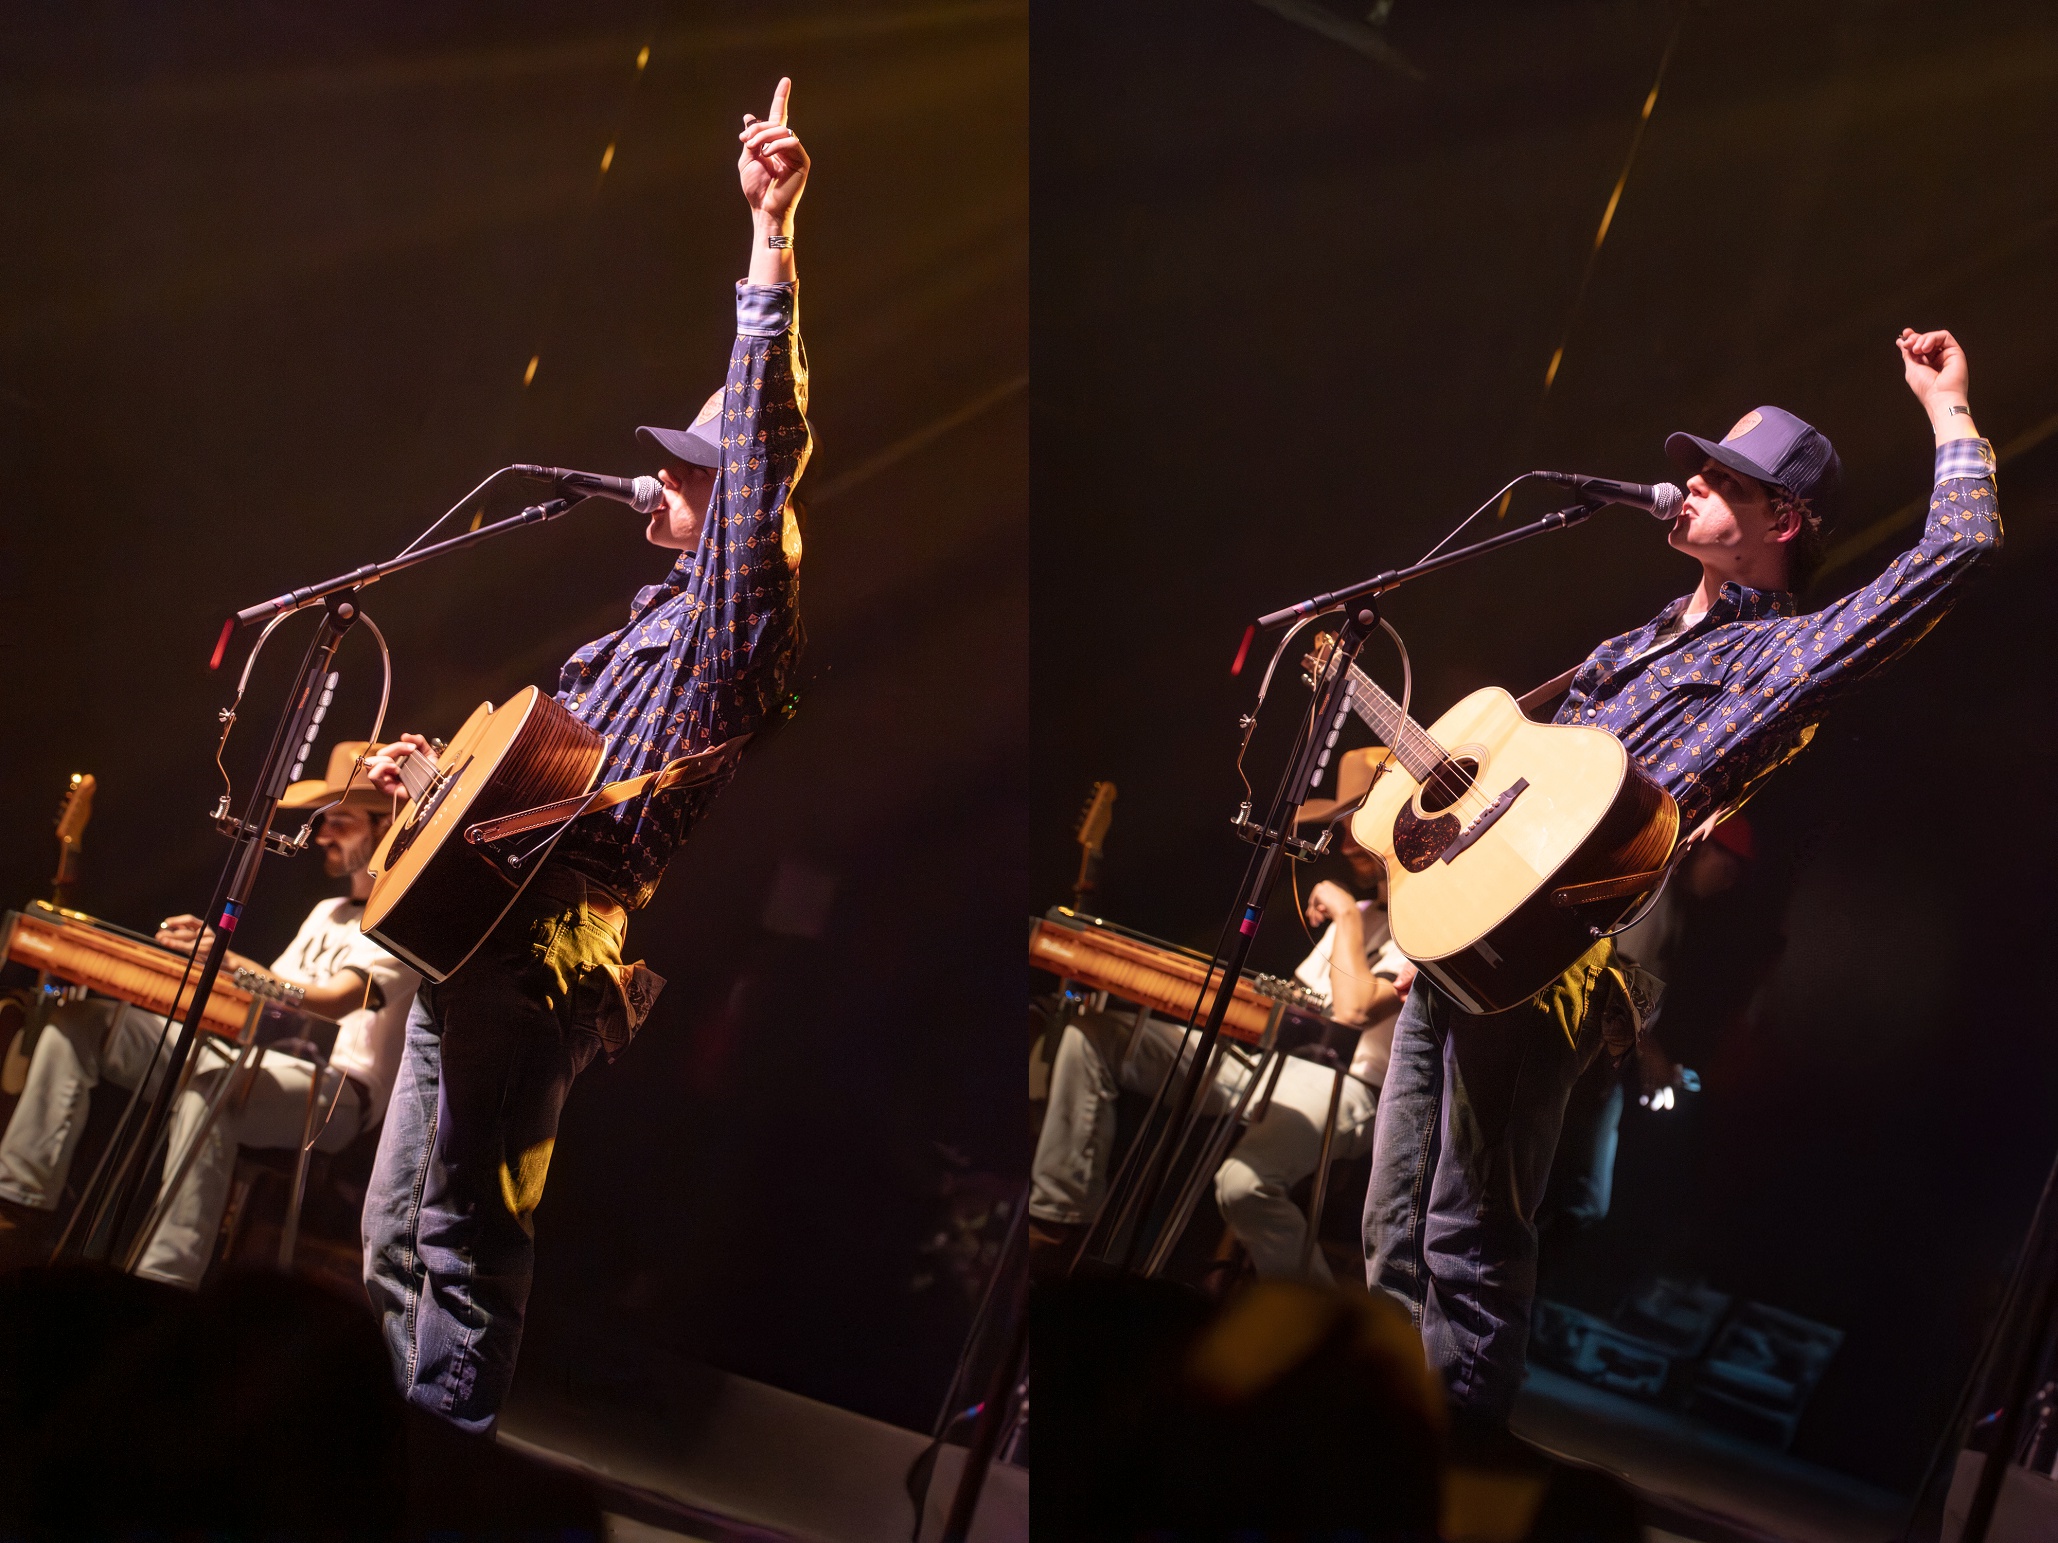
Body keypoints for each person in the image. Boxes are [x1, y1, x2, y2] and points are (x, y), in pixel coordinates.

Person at [1360, 329, 2001, 1438]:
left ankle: (1448, 1469)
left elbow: (1958, 548)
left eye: (1724, 479)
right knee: (1390, 1225)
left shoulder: (1785, 655)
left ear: (1782, 523)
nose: (1692, 482)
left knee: (1468, 1234)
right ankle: (1367, 1438)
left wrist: (1947, 407)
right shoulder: (1638, 639)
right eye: (1697, 469)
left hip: (1545, 965)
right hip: (1464, 936)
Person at [357, 79, 811, 1431]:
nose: (660, 479)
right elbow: (541, 786)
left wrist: (770, 236)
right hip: (475, 935)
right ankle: (380, 1451)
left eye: (688, 469)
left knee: (466, 1236)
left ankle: (443, 1463)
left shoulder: (737, 622)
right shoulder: (645, 624)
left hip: (542, 955)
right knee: (393, 1228)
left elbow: (764, 437)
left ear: (736, 502)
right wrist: (431, 785)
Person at [0, 743, 418, 1285]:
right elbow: (264, 1002)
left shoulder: (400, 918)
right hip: (249, 1059)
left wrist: (230, 961)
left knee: (210, 1090)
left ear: (385, 825)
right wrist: (204, 961)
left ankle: (163, 1281)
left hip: (337, 1093)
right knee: (81, 1025)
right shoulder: (327, 911)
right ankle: (18, 1205)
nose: (321, 836)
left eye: (339, 822)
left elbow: (337, 1000)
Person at [1030, 748, 1408, 1284]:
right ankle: (1055, 1224)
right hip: (1274, 1066)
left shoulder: (1419, 926)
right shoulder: (1367, 914)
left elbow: (1352, 1011)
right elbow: (1294, 1009)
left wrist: (1345, 914)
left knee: (1242, 1186)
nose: (1344, 843)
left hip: (1350, 1087)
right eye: (1341, 826)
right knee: (1092, 1036)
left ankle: (1320, 1322)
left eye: (1355, 825)